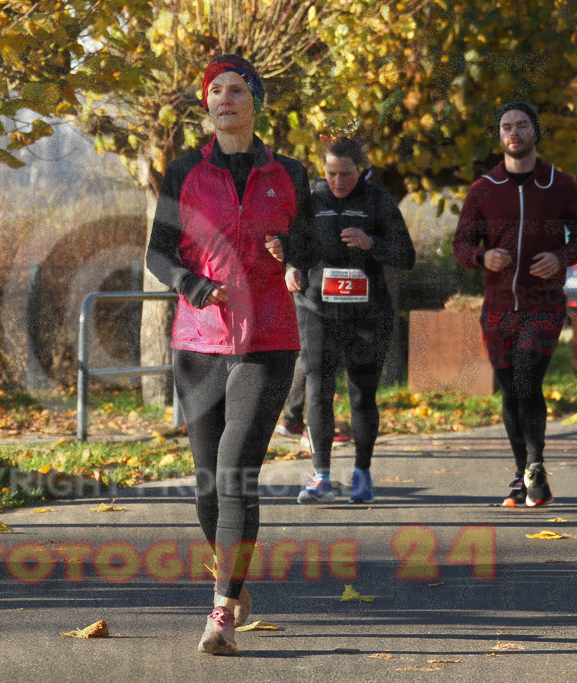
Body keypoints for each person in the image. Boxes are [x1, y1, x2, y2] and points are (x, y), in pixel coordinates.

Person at [146, 54, 313, 656]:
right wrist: (191, 285)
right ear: (206, 105)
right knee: (205, 485)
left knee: (235, 468)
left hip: (269, 337)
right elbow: (158, 252)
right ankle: (235, 579)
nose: (225, 99)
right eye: (215, 91)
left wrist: (293, 250)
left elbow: (312, 244)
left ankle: (221, 610)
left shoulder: (290, 172)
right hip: (199, 340)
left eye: (236, 90)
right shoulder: (184, 170)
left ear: (255, 102)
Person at [453, 101, 577, 507]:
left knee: (527, 377)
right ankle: (523, 475)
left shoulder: (560, 184)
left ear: (535, 132)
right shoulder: (482, 189)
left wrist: (561, 258)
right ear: (499, 137)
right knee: (512, 392)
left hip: (543, 303)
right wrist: (482, 258)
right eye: (506, 126)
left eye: (522, 125)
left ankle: (534, 464)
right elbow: (461, 243)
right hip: (497, 309)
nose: (514, 132)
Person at [293, 137, 415, 505]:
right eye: (331, 173)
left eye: (346, 174)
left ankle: (362, 474)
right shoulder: (311, 200)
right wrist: (289, 268)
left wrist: (370, 243)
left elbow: (406, 256)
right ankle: (321, 475)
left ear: (361, 169)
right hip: (317, 310)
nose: (338, 181)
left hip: (366, 313)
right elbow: (292, 244)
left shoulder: (377, 201)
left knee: (362, 395)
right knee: (318, 390)